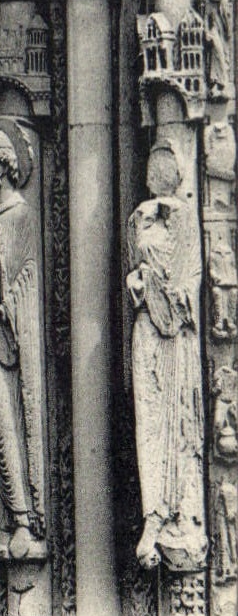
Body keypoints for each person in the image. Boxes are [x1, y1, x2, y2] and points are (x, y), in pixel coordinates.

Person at [127, 140, 206, 570]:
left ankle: (176, 514)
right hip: (148, 330)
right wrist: (139, 282)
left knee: (176, 423)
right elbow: (136, 263)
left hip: (175, 334)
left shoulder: (184, 219)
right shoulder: (139, 217)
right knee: (150, 422)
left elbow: (188, 279)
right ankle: (152, 516)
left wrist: (169, 294)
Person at [0, 127, 47, 562]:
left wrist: (6, 297)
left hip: (16, 333)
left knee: (16, 415)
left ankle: (28, 518)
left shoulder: (20, 215)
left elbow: (25, 282)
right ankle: (9, 516)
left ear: (5, 165)